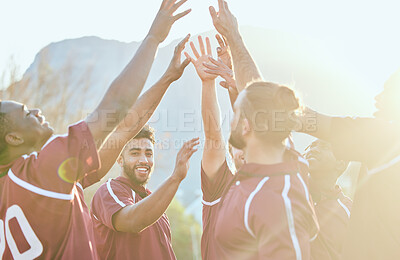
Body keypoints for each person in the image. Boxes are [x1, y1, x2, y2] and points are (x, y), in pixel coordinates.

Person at [209, 0, 400, 259]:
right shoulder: (297, 177)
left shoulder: (385, 138)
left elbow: (282, 114)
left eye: (388, 91)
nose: (377, 98)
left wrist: (235, 39)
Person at [0, 0, 190, 258]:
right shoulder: (45, 171)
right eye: (25, 112)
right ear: (13, 137)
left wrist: (167, 78)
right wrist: (153, 38)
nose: (36, 111)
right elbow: (116, 107)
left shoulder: (16, 185)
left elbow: (125, 130)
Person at [186, 33, 318, 259]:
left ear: (247, 128)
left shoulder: (277, 195)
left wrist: (234, 51)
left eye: (236, 114)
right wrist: (216, 82)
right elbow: (217, 137)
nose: (241, 152)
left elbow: (264, 111)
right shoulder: (290, 165)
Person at [90, 126, 198, 259]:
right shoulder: (109, 191)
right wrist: (175, 178)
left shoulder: (156, 204)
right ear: (119, 159)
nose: (144, 160)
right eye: (135, 153)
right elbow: (132, 221)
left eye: (148, 154)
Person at [305, 139, 352, 260]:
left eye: (324, 147)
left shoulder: (350, 212)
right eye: (311, 146)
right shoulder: (290, 192)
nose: (313, 149)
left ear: (340, 163)